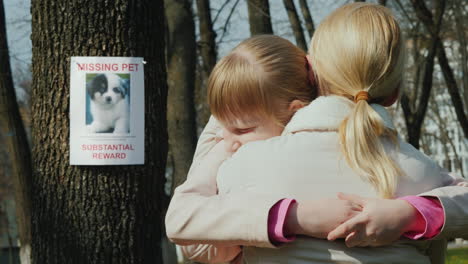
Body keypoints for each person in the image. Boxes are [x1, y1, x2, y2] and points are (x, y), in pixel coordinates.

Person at [166, 3, 468, 263]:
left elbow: (188, 230)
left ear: (311, 72)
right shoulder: (423, 173)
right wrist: (412, 214)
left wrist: (294, 218)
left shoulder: (245, 165)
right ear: (395, 93)